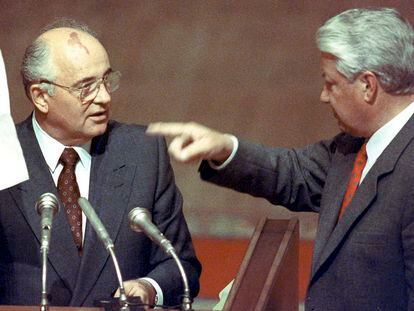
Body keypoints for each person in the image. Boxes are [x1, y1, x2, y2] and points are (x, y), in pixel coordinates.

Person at [147, 7, 414, 310]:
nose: (324, 96)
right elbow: (295, 172)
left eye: (331, 84)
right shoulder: (353, 147)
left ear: (368, 85)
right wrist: (223, 147)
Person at [0, 19, 201, 307]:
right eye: (86, 88)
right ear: (41, 96)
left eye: (106, 80)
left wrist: (149, 287)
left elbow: (182, 266)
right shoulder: (4, 158)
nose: (104, 97)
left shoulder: (142, 152)